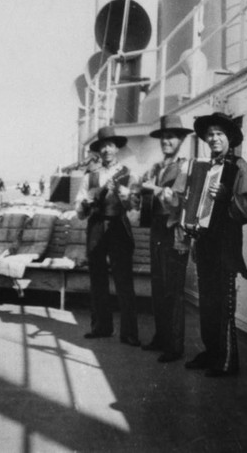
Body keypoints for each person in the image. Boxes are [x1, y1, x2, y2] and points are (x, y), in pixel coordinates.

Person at [174, 112, 247, 377]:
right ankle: (210, 352)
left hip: (226, 244)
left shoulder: (240, 167)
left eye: (219, 134)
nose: (214, 138)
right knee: (207, 302)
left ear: (229, 138)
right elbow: (193, 203)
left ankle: (226, 361)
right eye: (210, 134)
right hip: (205, 243)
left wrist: (225, 198)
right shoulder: (203, 167)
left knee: (224, 304)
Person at [75, 125, 140, 346]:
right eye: (102, 147)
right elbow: (80, 211)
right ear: (98, 151)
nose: (106, 150)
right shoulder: (90, 176)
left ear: (117, 148)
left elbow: (136, 208)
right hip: (95, 227)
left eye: (110, 145)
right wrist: (85, 203)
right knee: (97, 278)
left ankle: (129, 333)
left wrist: (128, 195)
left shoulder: (129, 174)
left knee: (123, 280)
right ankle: (101, 327)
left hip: (119, 227)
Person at [140, 114, 193, 362]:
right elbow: (145, 200)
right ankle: (161, 337)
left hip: (174, 231)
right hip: (157, 229)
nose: (166, 141)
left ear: (181, 139)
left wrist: (155, 189)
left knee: (173, 290)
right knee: (158, 287)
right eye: (163, 137)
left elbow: (178, 201)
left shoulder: (185, 167)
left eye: (171, 137)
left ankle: (174, 346)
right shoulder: (157, 168)